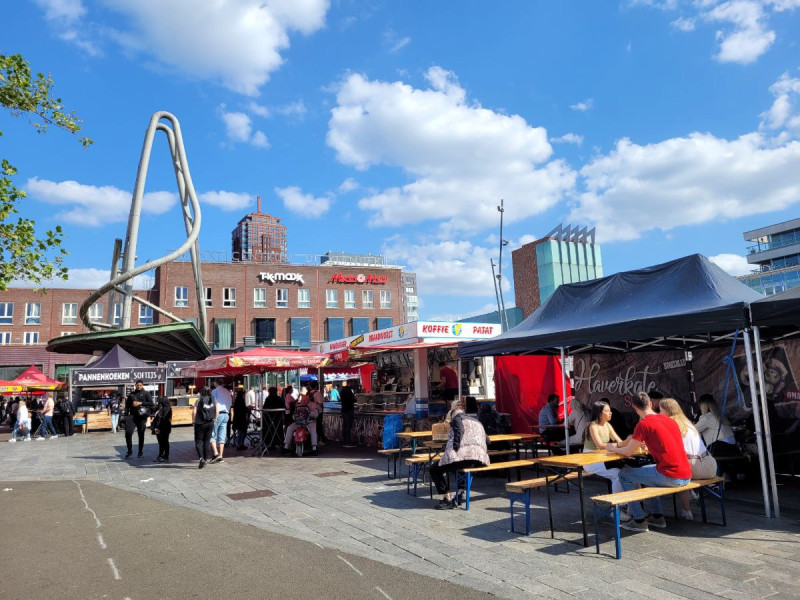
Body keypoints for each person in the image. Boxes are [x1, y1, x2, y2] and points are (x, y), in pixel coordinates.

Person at [606, 391, 692, 532]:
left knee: (624, 474)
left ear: (634, 408)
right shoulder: (670, 420)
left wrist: (612, 448)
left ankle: (639, 520)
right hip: (686, 474)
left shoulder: (643, 424)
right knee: (647, 468)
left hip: (671, 476)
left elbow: (627, 452)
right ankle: (657, 517)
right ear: (651, 404)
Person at [659, 398, 717, 520]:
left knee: (678, 472)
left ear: (667, 411)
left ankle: (687, 510)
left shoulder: (669, 423)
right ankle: (691, 494)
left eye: (660, 410)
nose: (659, 413)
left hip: (695, 467)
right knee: (682, 466)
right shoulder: (687, 423)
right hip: (711, 465)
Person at [429, 400, 490, 509]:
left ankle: (447, 498)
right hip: (479, 458)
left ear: (453, 414)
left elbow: (459, 432)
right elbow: (488, 440)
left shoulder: (457, 419)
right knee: (457, 467)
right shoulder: (476, 421)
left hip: (464, 456)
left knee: (434, 469)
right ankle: (460, 493)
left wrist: (456, 448)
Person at [583, 400, 630, 521]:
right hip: (590, 460)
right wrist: (626, 443)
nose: (611, 413)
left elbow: (619, 441)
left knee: (628, 472)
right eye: (607, 411)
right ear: (599, 413)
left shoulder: (608, 425)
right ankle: (617, 509)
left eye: (610, 410)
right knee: (618, 475)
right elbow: (600, 445)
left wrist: (630, 442)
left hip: (604, 459)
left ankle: (630, 506)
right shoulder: (592, 426)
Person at [282, 387, 320, 455]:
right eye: (302, 398)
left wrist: (310, 415)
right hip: (299, 422)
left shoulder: (312, 405)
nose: (303, 400)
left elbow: (316, 413)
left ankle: (314, 447)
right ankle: (286, 446)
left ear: (308, 398)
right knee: (290, 428)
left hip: (309, 422)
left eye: (304, 398)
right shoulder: (298, 405)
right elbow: (294, 414)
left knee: (313, 430)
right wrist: (296, 417)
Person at [125, 380, 154, 459]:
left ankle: (140, 451)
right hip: (132, 416)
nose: (139, 386)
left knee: (141, 434)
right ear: (135, 385)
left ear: (143, 385)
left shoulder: (146, 393)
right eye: (137, 385)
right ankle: (129, 451)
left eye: (140, 385)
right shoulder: (131, 394)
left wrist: (141, 403)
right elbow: (127, 405)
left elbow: (151, 403)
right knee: (128, 433)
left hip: (142, 416)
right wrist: (125, 415)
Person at [193, 387, 217, 469]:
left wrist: (193, 421)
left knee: (199, 441)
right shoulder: (213, 399)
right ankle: (205, 459)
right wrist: (215, 418)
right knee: (207, 441)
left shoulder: (199, 400)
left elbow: (194, 412)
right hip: (210, 422)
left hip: (200, 423)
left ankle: (201, 458)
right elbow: (217, 409)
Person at [209, 379, 232, 464]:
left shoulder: (214, 391)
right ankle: (221, 456)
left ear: (215, 383)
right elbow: (230, 402)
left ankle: (215, 454)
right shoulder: (227, 391)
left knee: (212, 434)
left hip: (218, 414)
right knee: (222, 436)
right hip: (226, 414)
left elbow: (214, 403)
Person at [152, 396, 173, 463]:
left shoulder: (166, 409)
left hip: (163, 427)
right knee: (162, 442)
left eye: (159, 400)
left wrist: (157, 428)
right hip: (161, 427)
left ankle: (163, 455)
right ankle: (162, 455)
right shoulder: (160, 408)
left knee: (163, 442)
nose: (158, 401)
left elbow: (162, 419)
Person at [340, 381, 357, 447]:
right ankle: (348, 441)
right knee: (348, 426)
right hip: (349, 409)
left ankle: (344, 441)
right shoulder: (349, 391)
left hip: (344, 409)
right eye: (352, 383)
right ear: (350, 384)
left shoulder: (342, 391)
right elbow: (354, 400)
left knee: (344, 425)